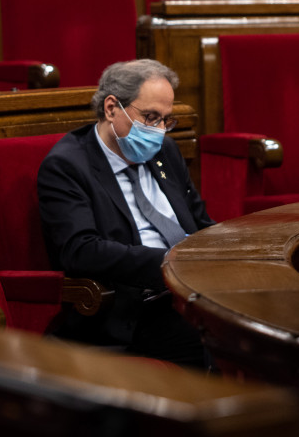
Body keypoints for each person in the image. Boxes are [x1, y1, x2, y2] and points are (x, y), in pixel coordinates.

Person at [37, 59, 214, 367]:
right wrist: (172, 263)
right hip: (132, 310)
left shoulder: (166, 153)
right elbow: (81, 250)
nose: (159, 131)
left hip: (191, 293)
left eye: (165, 120)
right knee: (221, 341)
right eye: (150, 117)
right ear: (111, 108)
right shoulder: (67, 166)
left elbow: (200, 224)